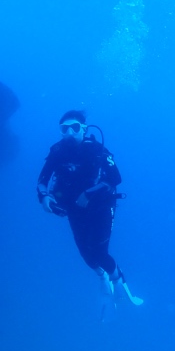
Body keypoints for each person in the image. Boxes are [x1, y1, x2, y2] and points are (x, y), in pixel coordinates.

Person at [36, 110, 142, 311]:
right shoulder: (57, 152)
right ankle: (102, 276)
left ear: (83, 129)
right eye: (64, 128)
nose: (69, 132)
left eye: (74, 127)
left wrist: (89, 193)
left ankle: (118, 279)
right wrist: (44, 197)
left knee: (99, 252)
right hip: (74, 208)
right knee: (85, 253)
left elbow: (115, 178)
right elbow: (42, 180)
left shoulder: (97, 150)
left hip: (101, 207)